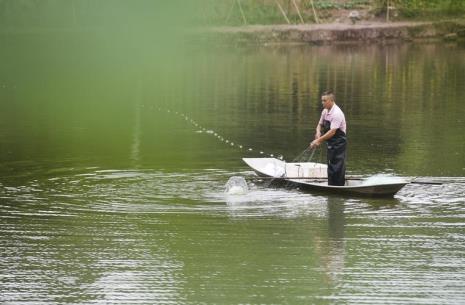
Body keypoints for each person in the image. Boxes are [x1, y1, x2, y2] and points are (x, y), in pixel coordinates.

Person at [310, 91, 347, 186]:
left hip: (339, 143)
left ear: (331, 100)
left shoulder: (337, 113)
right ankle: (331, 185)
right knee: (330, 165)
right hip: (331, 142)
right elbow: (320, 124)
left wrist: (318, 140)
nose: (322, 102)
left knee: (337, 166)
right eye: (322, 100)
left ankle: (338, 186)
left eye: (324, 100)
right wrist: (318, 132)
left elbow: (332, 132)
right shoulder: (325, 111)